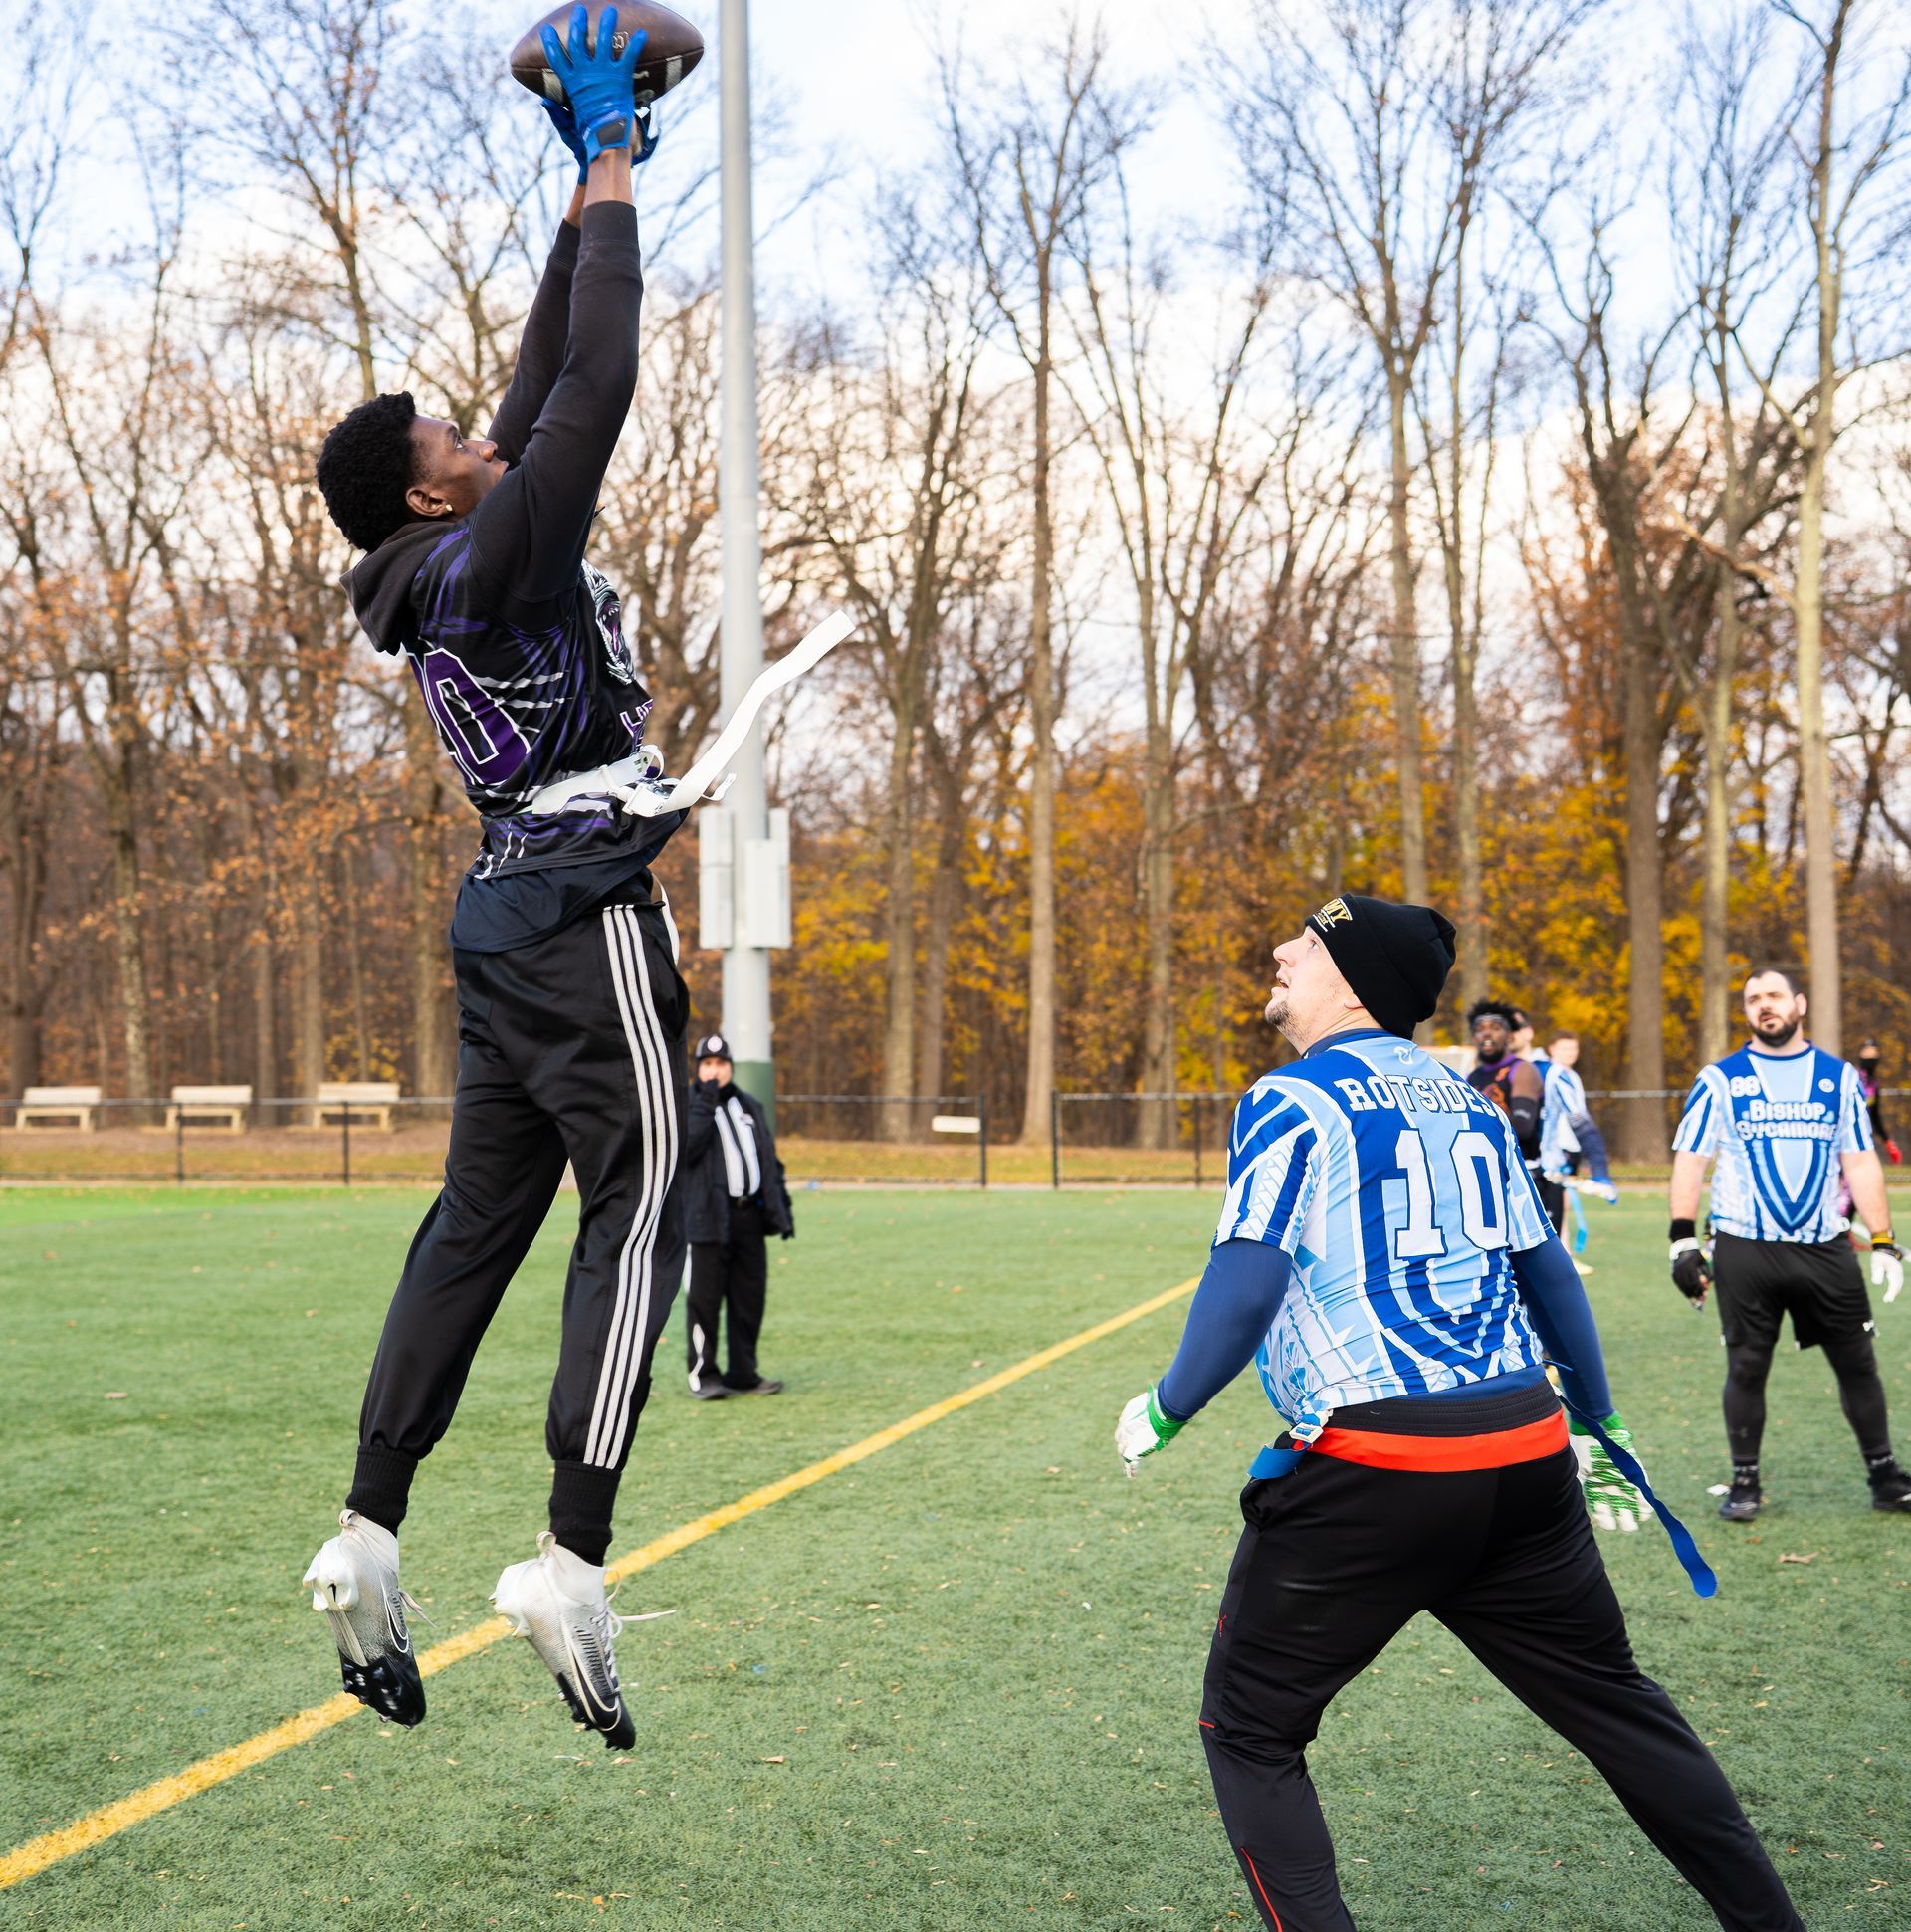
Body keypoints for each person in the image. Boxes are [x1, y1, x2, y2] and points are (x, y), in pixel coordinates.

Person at [1116, 894, 1805, 1932]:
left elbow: (1249, 1276)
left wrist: (1169, 1405)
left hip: (1375, 1464)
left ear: (1352, 981)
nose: (1282, 952)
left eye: (1306, 942)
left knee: (1249, 1730)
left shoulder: (1291, 1097)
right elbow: (1547, 1275)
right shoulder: (1470, 1101)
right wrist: (1598, 1420)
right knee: (1620, 1708)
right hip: (1524, 1450)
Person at [302, 15, 680, 1747]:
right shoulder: (499, 549)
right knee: (651, 1192)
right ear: (422, 485)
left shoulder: (435, 556)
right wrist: (606, 156)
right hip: (584, 909)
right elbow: (594, 387)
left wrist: (589, 183)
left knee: (474, 1224)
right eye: (452, 433)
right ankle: (569, 1557)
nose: (478, 428)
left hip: (502, 915)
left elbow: (537, 376)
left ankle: (368, 1530)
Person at [1670, 967, 1911, 1523]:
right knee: (1746, 1366)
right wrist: (1681, 1239)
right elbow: (1691, 1159)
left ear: (1799, 1003)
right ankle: (1745, 1482)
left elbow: (1860, 1160)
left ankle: (1885, 1477)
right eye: (1753, 998)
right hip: (1744, 1245)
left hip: (1824, 1246)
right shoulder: (1720, 1079)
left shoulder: (1840, 1078)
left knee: (1858, 1362)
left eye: (1774, 995)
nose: (1764, 1005)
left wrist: (1882, 1239)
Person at [682, 1033, 794, 1399]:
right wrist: (705, 1100)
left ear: (730, 1067)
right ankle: (704, 1375)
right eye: (707, 1064)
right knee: (704, 1302)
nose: (715, 1071)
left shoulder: (749, 1105)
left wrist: (780, 1210)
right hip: (706, 1219)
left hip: (749, 1218)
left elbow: (768, 1160)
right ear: (697, 1069)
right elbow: (688, 1148)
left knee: (749, 1299)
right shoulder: (687, 1104)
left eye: (721, 1064)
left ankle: (743, 1373)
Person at [1465, 999, 1554, 1224]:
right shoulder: (1472, 1078)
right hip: (1488, 1174)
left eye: (1495, 1028)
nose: (1486, 1034)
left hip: (1524, 1175)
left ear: (1509, 1036)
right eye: (1480, 1029)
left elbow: (1521, 1127)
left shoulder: (1522, 1069)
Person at [1539, 1031, 1618, 1226]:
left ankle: (1563, 1241)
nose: (1570, 1053)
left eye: (1573, 1048)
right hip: (1556, 1151)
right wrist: (1598, 1163)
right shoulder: (1554, 1074)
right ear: (1552, 1049)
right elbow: (1576, 1118)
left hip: (1572, 1146)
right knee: (1552, 1208)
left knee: (1562, 1202)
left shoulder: (1571, 1075)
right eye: (1564, 1048)